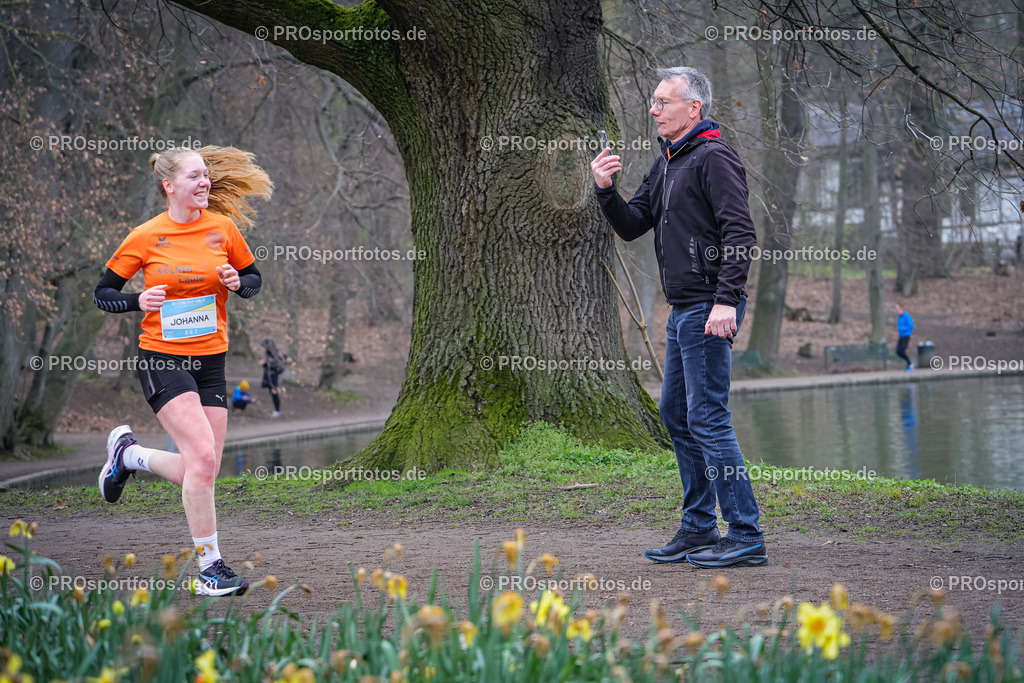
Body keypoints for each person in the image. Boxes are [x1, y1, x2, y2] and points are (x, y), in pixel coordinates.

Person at [591, 67, 766, 568]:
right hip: (683, 309)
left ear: (693, 108)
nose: (653, 109)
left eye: (663, 101)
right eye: (652, 100)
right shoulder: (666, 161)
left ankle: (746, 534)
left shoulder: (714, 158)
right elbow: (631, 225)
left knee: (708, 418)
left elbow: (740, 232)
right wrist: (605, 190)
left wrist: (727, 300)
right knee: (677, 415)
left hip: (711, 306)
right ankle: (697, 528)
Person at [94, 145, 272, 596]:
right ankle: (210, 569)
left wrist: (238, 283)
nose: (205, 183)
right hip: (163, 359)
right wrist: (137, 300)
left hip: (211, 362)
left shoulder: (222, 228)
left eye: (207, 176)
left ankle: (129, 457)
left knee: (203, 469)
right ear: (169, 186)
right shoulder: (146, 235)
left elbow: (253, 280)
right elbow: (103, 293)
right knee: (206, 459)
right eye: (194, 177)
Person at [259, 338, 287, 417]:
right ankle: (276, 410)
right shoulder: (269, 354)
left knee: (274, 393)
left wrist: (265, 363)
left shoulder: (275, 354)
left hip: (273, 378)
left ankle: (277, 410)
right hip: (269, 377)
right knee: (272, 393)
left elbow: (277, 365)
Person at [895, 303, 915, 370]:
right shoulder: (899, 318)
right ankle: (909, 362)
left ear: (901, 309)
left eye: (897, 309)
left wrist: (901, 329)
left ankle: (910, 363)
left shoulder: (906, 316)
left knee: (902, 350)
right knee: (898, 351)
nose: (897, 310)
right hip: (901, 336)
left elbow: (911, 326)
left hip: (906, 336)